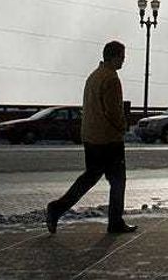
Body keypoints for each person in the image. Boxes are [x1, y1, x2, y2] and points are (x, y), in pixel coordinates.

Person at [46, 41, 136, 234]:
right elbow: (113, 111)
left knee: (89, 177)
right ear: (114, 57)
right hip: (109, 139)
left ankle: (57, 208)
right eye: (122, 56)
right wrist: (123, 127)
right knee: (118, 180)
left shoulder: (94, 76)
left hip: (91, 136)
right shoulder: (111, 78)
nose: (124, 60)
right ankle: (115, 222)